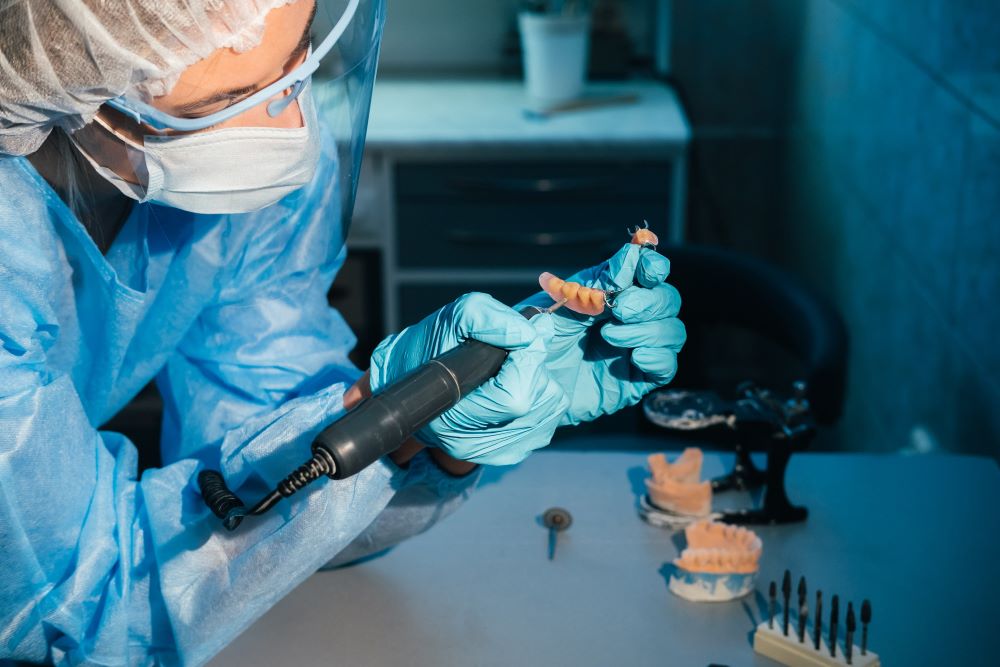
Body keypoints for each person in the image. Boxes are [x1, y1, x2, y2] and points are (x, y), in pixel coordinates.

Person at [0, 0, 686, 664]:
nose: (292, 124)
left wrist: (420, 420)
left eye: (300, 59)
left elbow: (253, 492)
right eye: (232, 100)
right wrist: (380, 413)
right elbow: (71, 613)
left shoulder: (245, 186)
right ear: (72, 70)